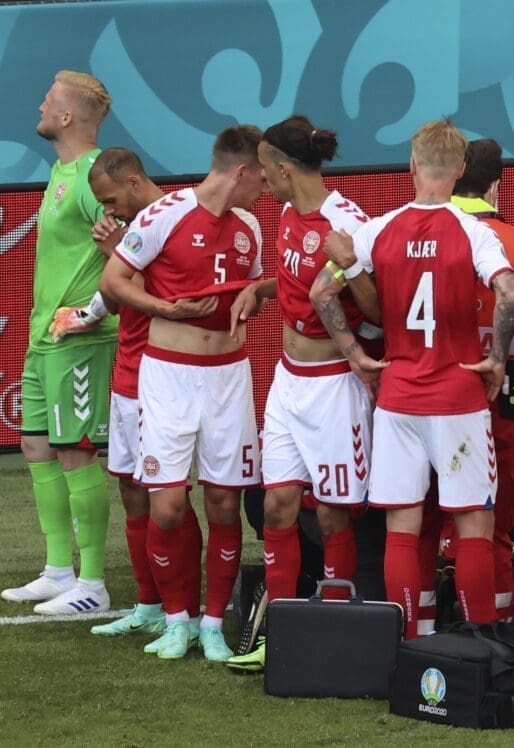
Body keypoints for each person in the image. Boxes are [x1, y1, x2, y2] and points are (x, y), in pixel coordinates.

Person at [311, 118, 514, 641]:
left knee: (402, 528)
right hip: (457, 395)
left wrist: (355, 354)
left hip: (399, 395)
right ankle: (480, 646)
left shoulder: (377, 229)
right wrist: (497, 358)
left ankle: (409, 643)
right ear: (461, 170)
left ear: (411, 165)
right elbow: (510, 293)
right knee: (473, 524)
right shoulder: (474, 230)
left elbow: (320, 293)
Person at [99, 125, 267, 661]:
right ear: (241, 171)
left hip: (228, 376)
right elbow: (112, 282)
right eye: (261, 177)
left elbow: (254, 287)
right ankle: (177, 620)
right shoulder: (163, 214)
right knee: (168, 505)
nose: (266, 187)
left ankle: (212, 624)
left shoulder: (250, 226)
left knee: (224, 501)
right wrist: (165, 309)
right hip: (168, 376)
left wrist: (254, 294)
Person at [223, 115, 372, 672]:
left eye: (265, 170)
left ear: (285, 169)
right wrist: (261, 288)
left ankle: (333, 628)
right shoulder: (287, 214)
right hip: (288, 382)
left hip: (335, 388)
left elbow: (379, 308)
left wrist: (352, 267)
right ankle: (281, 633)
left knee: (332, 516)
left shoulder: (348, 223)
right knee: (276, 505)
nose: (262, 180)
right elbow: (294, 282)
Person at [2, 71, 119, 615]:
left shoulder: (96, 174)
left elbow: (133, 242)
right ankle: (57, 572)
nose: (40, 107)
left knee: (76, 452)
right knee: (36, 447)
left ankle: (92, 585)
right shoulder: (61, 170)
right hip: (43, 337)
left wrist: (91, 312)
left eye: (48, 101)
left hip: (79, 340)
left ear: (67, 117)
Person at [86, 147, 204, 637]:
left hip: (164, 376)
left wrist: (118, 255)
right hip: (127, 375)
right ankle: (149, 605)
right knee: (131, 489)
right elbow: (115, 300)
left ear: (133, 181)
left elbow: (179, 297)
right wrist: (113, 261)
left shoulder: (177, 221)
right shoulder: (130, 229)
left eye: (111, 199)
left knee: (168, 495)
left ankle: (186, 610)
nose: (109, 210)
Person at [451, 138, 514, 621]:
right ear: (495, 186)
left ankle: (421, 627)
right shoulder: (513, 240)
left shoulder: (413, 228)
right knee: (495, 520)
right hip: (494, 394)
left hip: (426, 393)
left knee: (422, 520)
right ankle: (496, 623)